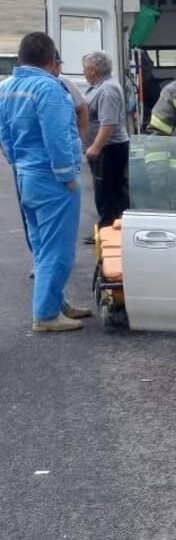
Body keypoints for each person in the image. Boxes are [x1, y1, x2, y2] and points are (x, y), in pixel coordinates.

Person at [0, 32, 91, 331]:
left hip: (27, 175)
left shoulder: (7, 88)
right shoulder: (48, 88)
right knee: (58, 249)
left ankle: (55, 301)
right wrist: (67, 177)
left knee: (41, 246)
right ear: (52, 60)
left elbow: (5, 135)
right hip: (53, 179)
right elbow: (56, 136)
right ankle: (47, 315)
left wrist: (17, 161)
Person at [82, 50, 130, 234]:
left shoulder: (107, 89)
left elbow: (108, 123)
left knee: (108, 191)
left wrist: (96, 147)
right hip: (106, 148)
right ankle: (109, 229)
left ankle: (108, 230)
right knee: (108, 190)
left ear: (93, 70)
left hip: (110, 148)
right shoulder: (99, 86)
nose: (84, 73)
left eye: (85, 69)